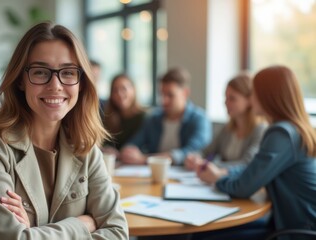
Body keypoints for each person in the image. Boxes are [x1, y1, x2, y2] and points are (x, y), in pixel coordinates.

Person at [0, 22, 129, 239]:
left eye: (68, 72)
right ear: (21, 80)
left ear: (81, 82)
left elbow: (118, 232)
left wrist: (33, 231)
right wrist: (83, 224)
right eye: (40, 72)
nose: (55, 85)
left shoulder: (86, 148)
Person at [196, 65, 316, 240]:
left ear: (268, 96)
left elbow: (243, 188)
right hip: (290, 224)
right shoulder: (292, 130)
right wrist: (226, 172)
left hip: (298, 232)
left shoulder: (282, 134)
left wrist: (217, 179)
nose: (251, 99)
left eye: (254, 92)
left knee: (203, 236)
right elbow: (253, 169)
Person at [120, 67, 212, 165]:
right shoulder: (153, 119)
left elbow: (189, 152)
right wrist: (128, 152)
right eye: (162, 95)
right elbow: (133, 143)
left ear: (185, 93)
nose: (164, 101)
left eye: (170, 95)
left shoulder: (200, 119)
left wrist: (145, 159)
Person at [185, 73, 266, 170]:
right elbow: (206, 151)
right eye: (225, 97)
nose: (226, 103)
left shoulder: (260, 130)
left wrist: (210, 166)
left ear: (249, 100)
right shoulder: (227, 129)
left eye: (232, 98)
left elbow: (247, 164)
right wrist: (195, 158)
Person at [102, 73, 146, 152]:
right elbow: (102, 142)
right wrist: (105, 149)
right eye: (115, 90)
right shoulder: (107, 116)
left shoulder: (145, 117)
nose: (119, 94)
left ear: (133, 90)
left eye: (124, 89)